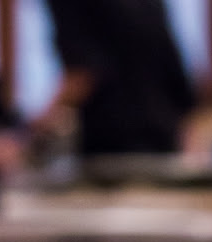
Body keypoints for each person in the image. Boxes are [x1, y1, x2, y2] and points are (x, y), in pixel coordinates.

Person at [38, 0, 196, 156]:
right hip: (164, 143)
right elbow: (178, 81)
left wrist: (34, 134)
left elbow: (83, 74)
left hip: (113, 147)